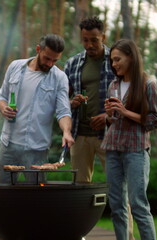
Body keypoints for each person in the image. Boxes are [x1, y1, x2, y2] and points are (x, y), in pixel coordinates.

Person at [102, 38, 157, 240]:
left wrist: (126, 112)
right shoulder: (113, 85)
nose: (114, 64)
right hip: (112, 149)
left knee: (138, 205)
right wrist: (110, 114)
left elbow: (156, 120)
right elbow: (114, 120)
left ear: (131, 57)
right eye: (112, 60)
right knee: (117, 207)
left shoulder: (148, 84)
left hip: (136, 151)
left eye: (118, 59)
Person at [0, 33, 75, 184]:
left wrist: (66, 131)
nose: (50, 64)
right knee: (1, 194)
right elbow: (1, 97)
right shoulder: (15, 67)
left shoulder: (59, 78)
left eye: (55, 60)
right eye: (47, 58)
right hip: (8, 145)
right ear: (38, 49)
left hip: (37, 149)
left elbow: (63, 111)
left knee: (36, 198)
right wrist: (3, 108)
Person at [63, 16, 114, 183]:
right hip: (79, 135)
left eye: (94, 40)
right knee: (79, 186)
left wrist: (107, 117)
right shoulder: (73, 63)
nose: (89, 45)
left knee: (117, 185)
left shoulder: (115, 61)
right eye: (85, 40)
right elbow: (61, 99)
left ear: (103, 37)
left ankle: (122, 211)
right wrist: (72, 103)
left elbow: (128, 96)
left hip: (109, 134)